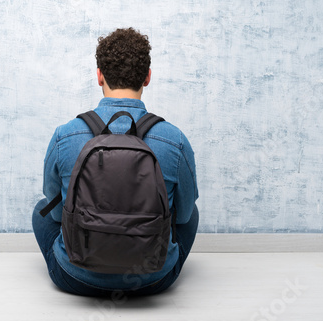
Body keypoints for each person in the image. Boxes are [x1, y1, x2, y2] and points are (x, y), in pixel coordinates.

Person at [32, 27, 199, 297]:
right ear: (147, 77)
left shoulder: (65, 135)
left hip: (76, 277)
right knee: (192, 216)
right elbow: (186, 215)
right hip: (153, 279)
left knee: (41, 209)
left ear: (99, 76)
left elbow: (54, 212)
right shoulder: (175, 140)